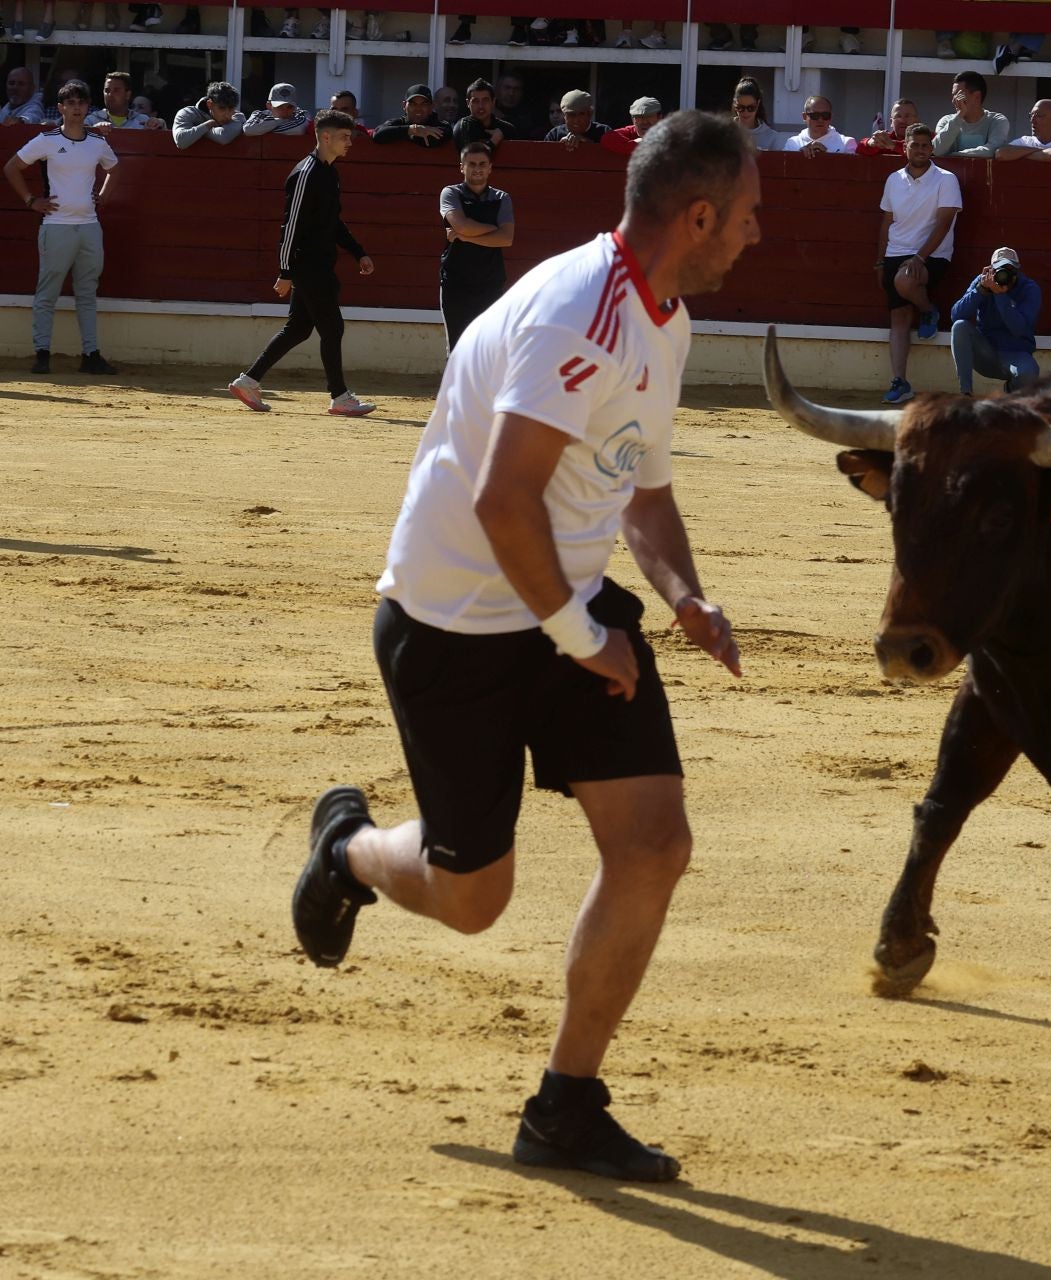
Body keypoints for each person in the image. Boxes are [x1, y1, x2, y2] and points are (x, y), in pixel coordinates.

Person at [299, 109, 756, 1185]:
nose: (754, 235)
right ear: (697, 215)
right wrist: (582, 635)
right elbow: (507, 503)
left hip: (566, 606)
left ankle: (565, 1102)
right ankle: (351, 850)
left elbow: (641, 488)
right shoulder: (579, 315)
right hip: (457, 622)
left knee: (654, 841)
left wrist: (683, 595)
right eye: (745, 216)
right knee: (473, 898)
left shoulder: (664, 316)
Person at [228, 110, 377, 418]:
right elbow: (290, 226)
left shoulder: (329, 173)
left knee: (298, 329)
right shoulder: (306, 173)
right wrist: (285, 272)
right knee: (332, 327)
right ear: (325, 137)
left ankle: (248, 381)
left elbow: (332, 222)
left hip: (317, 264)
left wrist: (357, 251)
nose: (350, 143)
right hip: (308, 265)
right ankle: (340, 397)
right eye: (345, 137)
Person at [5, 79, 118, 375]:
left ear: (87, 107)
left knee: (87, 293)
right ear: (61, 108)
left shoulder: (97, 142)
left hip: (89, 226)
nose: (77, 108)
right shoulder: (47, 140)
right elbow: (11, 167)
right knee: (48, 293)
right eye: (71, 103)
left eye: (81, 103)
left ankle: (90, 354)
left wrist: (103, 196)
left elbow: (114, 169)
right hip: (56, 225)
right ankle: (42, 353)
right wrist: (31, 200)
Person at [875, 123, 960, 404]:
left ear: (932, 148)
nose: (921, 149)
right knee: (898, 318)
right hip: (896, 251)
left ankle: (928, 310)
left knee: (905, 280)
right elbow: (887, 222)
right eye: (915, 145)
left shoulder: (946, 179)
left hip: (931, 255)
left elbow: (945, 221)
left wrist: (920, 257)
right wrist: (879, 261)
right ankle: (899, 381)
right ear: (905, 147)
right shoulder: (893, 179)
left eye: (925, 145)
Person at [439, 140, 514, 350]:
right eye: (471, 164)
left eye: (482, 164)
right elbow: (461, 225)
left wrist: (465, 236)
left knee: (489, 347)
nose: (477, 168)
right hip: (456, 282)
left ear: (490, 167)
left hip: (490, 283)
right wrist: (493, 229)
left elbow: (506, 239)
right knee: (457, 347)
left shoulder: (502, 197)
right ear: (461, 167)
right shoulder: (451, 193)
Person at [949, 246, 1040, 396]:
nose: (1005, 276)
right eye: (1000, 270)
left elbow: (1019, 329)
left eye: (1010, 270)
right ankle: (965, 393)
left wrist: (1000, 296)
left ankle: (1012, 392)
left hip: (1015, 354)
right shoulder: (983, 282)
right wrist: (980, 290)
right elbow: (956, 315)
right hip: (986, 354)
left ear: (1018, 271)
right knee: (960, 327)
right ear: (991, 270)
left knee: (1029, 372)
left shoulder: (1030, 289)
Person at [932, 71, 1009, 159]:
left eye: (959, 95)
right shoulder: (946, 121)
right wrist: (959, 116)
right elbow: (936, 150)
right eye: (953, 95)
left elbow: (992, 150)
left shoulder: (997, 121)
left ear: (977, 96)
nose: (954, 100)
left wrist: (954, 156)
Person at [997, 98, 1051, 162]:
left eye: (1039, 116)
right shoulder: (1025, 141)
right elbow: (1000, 153)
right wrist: (1042, 152)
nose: (1032, 120)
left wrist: (1019, 154)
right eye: (1031, 115)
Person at [172, 79, 242, 149]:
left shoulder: (238, 116)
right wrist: (208, 124)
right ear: (209, 104)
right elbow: (181, 141)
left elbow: (224, 137)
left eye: (231, 108)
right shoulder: (187, 113)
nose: (227, 115)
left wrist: (200, 128)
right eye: (222, 108)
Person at [86, 70, 162, 132]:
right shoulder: (91, 120)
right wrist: (94, 131)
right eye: (107, 90)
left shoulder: (143, 121)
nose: (110, 94)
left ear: (127, 95)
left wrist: (159, 124)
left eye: (116, 90)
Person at [373, 84, 447, 147]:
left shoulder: (441, 124)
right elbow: (378, 134)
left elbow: (431, 141)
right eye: (413, 104)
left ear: (431, 107)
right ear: (404, 105)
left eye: (424, 104)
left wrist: (399, 134)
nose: (418, 108)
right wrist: (412, 129)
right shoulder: (400, 121)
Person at [452, 78, 514, 152]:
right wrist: (494, 141)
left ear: (493, 102)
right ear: (468, 103)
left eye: (485, 100)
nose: (480, 106)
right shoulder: (463, 127)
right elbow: (471, 159)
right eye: (475, 101)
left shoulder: (507, 129)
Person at [783, 95, 854, 155]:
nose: (820, 120)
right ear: (804, 117)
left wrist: (827, 155)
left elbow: (853, 171)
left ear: (831, 117)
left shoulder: (846, 143)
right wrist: (799, 156)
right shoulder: (792, 143)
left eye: (825, 115)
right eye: (815, 115)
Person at [730, 77, 782, 150]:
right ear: (735, 104)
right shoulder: (726, 131)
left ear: (758, 104)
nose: (746, 112)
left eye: (750, 108)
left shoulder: (772, 137)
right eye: (741, 108)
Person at [244, 84, 311, 136]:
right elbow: (248, 130)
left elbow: (299, 129)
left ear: (295, 107)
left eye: (290, 107)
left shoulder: (302, 114)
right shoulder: (259, 114)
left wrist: (263, 130)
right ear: (269, 106)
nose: (285, 111)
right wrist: (282, 121)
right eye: (280, 106)